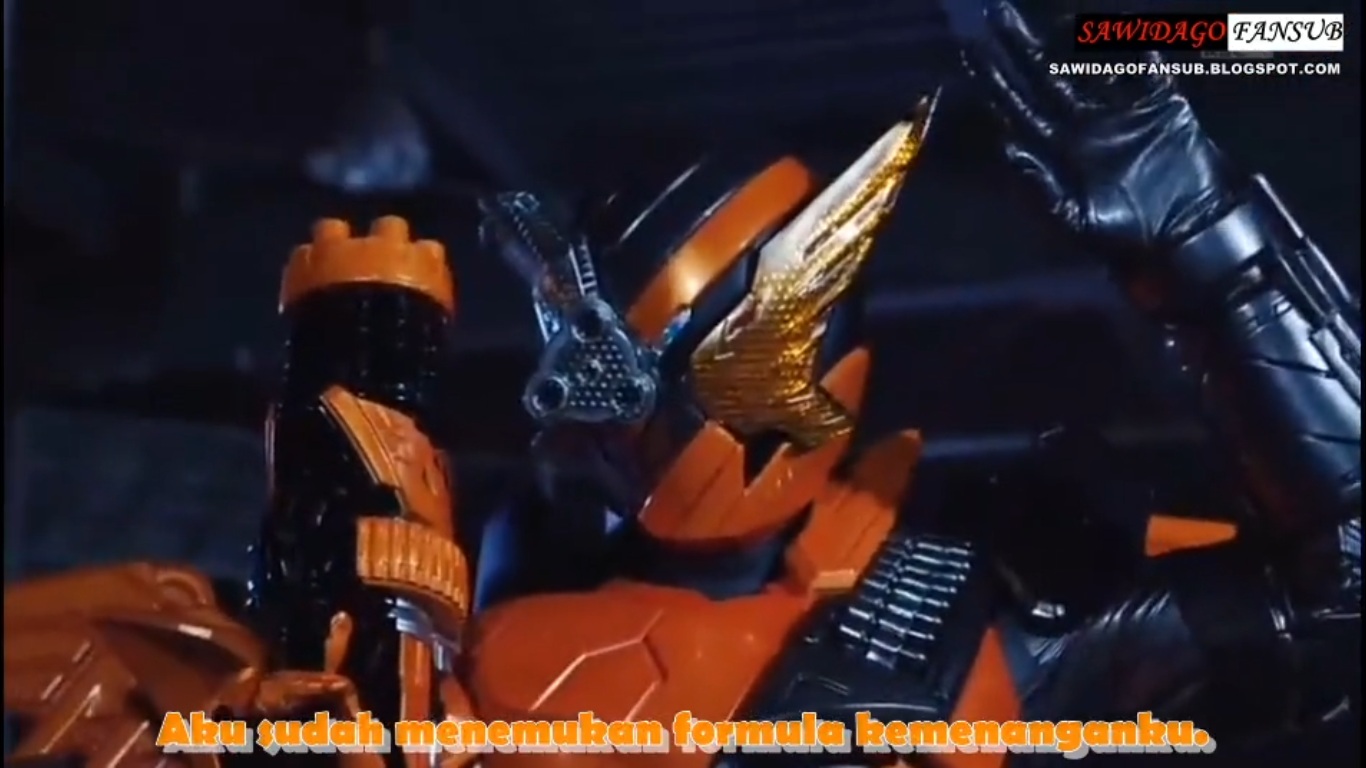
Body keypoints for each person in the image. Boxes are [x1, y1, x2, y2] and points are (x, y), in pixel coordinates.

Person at [3, 3, 1356, 767]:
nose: (583, 418)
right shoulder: (503, 649)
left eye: (624, 379)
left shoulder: (997, 619)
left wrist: (1201, 240)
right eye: (577, 374)